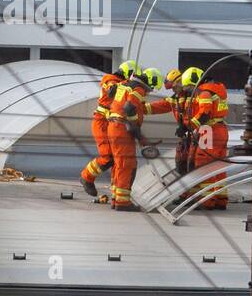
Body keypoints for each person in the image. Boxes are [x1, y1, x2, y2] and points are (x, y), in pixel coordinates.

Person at [80, 59, 138, 197]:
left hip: (111, 124)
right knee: (107, 157)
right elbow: (111, 88)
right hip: (102, 123)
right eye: (133, 76)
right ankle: (86, 177)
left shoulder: (123, 85)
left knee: (117, 159)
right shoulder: (111, 79)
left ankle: (116, 191)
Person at [182, 66, 230, 210]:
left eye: (190, 88)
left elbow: (204, 114)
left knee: (204, 165)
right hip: (221, 130)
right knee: (218, 167)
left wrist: (190, 126)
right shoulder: (218, 90)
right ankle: (221, 199)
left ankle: (206, 201)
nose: (191, 92)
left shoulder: (204, 93)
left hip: (209, 130)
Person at [106, 72, 151, 211]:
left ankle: (116, 198)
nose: (147, 93)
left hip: (113, 126)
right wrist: (136, 128)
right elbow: (129, 108)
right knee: (127, 164)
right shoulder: (138, 89)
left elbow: (111, 96)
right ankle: (122, 202)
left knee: (119, 164)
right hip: (122, 128)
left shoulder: (123, 85)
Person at [145, 68, 190, 173]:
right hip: (184, 138)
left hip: (194, 137)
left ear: (179, 82)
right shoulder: (176, 99)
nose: (173, 90)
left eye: (174, 87)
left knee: (192, 165)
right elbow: (160, 106)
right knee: (181, 164)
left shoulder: (191, 97)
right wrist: (140, 108)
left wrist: (185, 127)